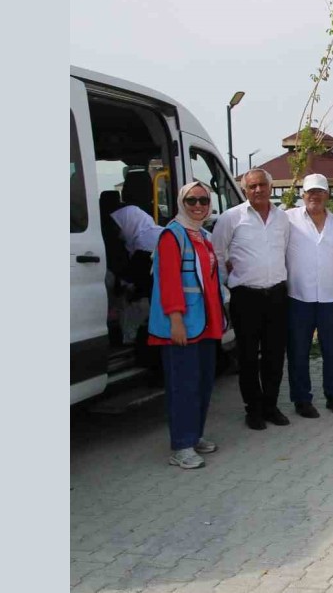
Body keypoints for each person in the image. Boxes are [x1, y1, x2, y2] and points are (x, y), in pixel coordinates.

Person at [148, 181, 226, 469]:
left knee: (203, 382)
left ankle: (194, 435)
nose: (198, 205)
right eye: (192, 200)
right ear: (182, 202)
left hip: (205, 323)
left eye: (203, 200)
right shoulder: (172, 235)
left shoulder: (203, 235)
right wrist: (176, 319)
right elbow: (168, 281)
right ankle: (181, 445)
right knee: (183, 385)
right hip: (182, 325)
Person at [212, 168, 292, 430]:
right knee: (247, 356)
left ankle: (270, 406)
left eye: (262, 185)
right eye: (252, 186)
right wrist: (227, 284)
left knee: (274, 354)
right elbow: (217, 253)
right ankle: (253, 409)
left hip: (277, 295)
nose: (258, 190)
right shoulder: (231, 218)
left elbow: (286, 251)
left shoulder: (283, 219)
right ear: (245, 190)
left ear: (271, 187)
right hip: (245, 296)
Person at [285, 174, 333, 417]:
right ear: (302, 194)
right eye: (310, 192)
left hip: (330, 298)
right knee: (298, 352)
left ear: (327, 195)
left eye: (319, 192)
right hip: (297, 297)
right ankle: (302, 400)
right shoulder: (288, 219)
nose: (314, 196)